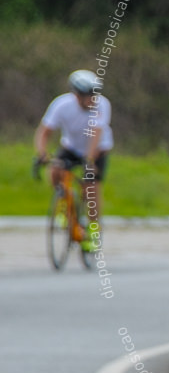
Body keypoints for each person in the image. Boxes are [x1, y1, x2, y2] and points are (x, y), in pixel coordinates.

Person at [34, 70, 113, 250]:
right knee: (55, 170)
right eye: (88, 96)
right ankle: (63, 203)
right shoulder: (62, 105)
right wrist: (42, 153)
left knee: (91, 190)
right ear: (77, 95)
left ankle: (93, 231)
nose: (92, 99)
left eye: (94, 95)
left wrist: (90, 160)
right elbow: (44, 131)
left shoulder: (102, 105)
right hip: (71, 147)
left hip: (98, 149)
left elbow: (96, 134)